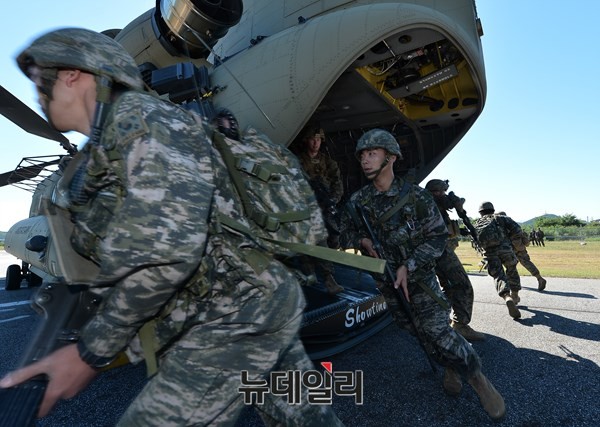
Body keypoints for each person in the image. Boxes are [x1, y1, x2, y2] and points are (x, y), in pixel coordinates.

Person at [0, 28, 342, 426]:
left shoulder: (142, 121)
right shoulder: (106, 149)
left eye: (42, 80)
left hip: (234, 315)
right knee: (306, 417)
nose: (38, 95)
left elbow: (167, 255)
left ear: (74, 74)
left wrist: (90, 352)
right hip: (247, 302)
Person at [339, 129, 505, 421]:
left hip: (419, 281)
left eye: (372, 154)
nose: (365, 160)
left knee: (438, 331)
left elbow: (437, 238)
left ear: (390, 158)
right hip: (387, 283)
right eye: (362, 155)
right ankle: (452, 365)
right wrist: (362, 241)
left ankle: (477, 378)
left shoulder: (416, 197)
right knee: (415, 331)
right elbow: (345, 231)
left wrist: (409, 265)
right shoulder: (358, 202)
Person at [425, 179, 485, 341]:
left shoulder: (434, 206)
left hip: (436, 250)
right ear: (432, 193)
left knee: (448, 288)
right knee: (463, 285)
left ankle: (446, 321)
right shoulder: (429, 204)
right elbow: (446, 203)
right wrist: (455, 203)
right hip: (440, 250)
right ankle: (461, 325)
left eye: (443, 192)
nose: (443, 195)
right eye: (439, 192)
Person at [296, 126, 344, 294]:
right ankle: (326, 278)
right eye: (312, 139)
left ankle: (317, 271)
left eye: (318, 139)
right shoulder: (298, 161)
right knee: (311, 239)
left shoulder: (328, 162)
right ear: (306, 141)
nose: (315, 143)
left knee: (334, 237)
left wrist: (332, 201)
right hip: (305, 207)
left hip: (325, 206)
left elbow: (338, 184)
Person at [474, 203, 524, 319]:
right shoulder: (501, 218)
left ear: (480, 212)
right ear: (493, 210)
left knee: (499, 276)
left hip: (489, 253)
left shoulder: (478, 223)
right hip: (506, 250)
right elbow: (517, 230)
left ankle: (507, 297)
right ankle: (515, 296)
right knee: (512, 270)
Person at [497, 214, 547, 292]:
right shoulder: (513, 225)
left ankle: (512, 284)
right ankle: (540, 278)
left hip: (511, 249)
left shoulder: (502, 227)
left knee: (510, 266)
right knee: (527, 263)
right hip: (520, 248)